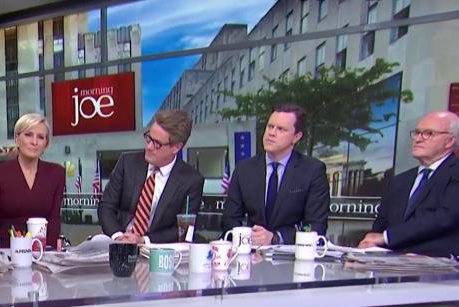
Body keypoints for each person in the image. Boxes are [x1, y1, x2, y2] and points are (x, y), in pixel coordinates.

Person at [358, 111, 459, 256]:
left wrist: (387, 237)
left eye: (428, 133)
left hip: (441, 261)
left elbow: (446, 218)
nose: (418, 139)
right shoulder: (399, 181)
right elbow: (380, 225)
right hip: (392, 261)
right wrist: (368, 245)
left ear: (449, 141)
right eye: (417, 133)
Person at [221, 103, 329, 245]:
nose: (271, 133)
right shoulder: (244, 170)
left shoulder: (312, 171)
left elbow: (315, 226)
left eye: (281, 129)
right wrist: (247, 236)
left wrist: (276, 237)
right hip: (250, 250)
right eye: (270, 127)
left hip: (291, 255)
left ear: (296, 137)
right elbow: (230, 219)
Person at [98, 109, 204, 244]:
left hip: (155, 248)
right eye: (149, 138)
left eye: (157, 143)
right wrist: (118, 237)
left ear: (176, 148)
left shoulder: (191, 180)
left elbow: (184, 228)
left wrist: (143, 240)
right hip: (118, 242)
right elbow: (106, 206)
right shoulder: (127, 163)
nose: (148, 147)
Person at [0, 113, 65, 244]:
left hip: (41, 249)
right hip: (5, 249)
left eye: (40, 137)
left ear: (46, 144)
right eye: (28, 135)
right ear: (17, 138)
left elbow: (54, 219)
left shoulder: (56, 173)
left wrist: (51, 250)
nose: (34, 142)